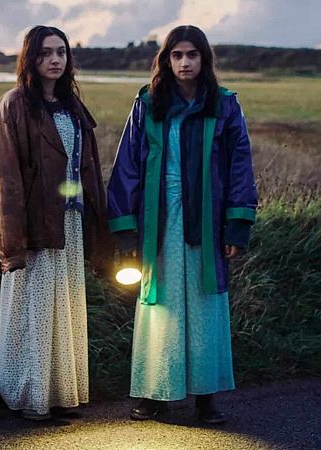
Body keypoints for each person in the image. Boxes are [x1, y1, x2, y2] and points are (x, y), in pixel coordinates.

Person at [107, 25, 258, 424]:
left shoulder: (224, 105)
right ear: (166, 59)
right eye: (177, 55)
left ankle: (206, 397)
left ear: (204, 59)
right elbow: (127, 167)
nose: (185, 62)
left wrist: (236, 225)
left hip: (207, 217)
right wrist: (125, 231)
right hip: (159, 217)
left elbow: (239, 165)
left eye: (192, 55)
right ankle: (155, 393)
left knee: (206, 302)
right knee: (162, 304)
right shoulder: (147, 103)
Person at [0, 25, 111, 421]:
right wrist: (12, 243)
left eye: (61, 52)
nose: (54, 60)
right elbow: (4, 179)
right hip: (35, 227)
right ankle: (29, 397)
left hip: (71, 224)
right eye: (44, 53)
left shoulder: (73, 106)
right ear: (30, 59)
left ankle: (59, 394)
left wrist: (99, 231)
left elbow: (87, 170)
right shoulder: (13, 106)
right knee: (33, 310)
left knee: (65, 308)